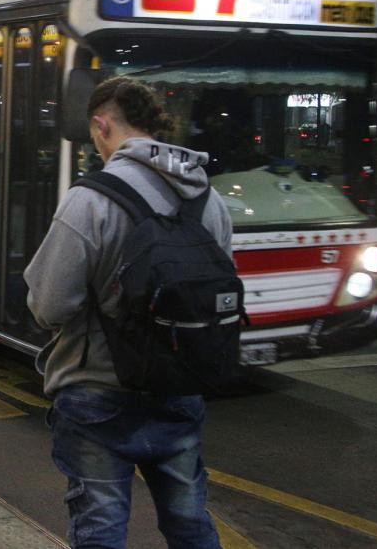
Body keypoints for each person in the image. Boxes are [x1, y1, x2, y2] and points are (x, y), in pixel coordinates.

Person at [24, 77, 231, 548]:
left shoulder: (90, 199)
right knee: (190, 522)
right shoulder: (208, 200)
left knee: (100, 528)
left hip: (97, 394)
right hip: (180, 387)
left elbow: (49, 305)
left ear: (101, 125)